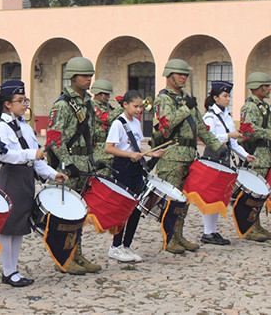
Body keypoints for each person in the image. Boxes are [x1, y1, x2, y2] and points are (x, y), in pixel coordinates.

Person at [0, 80, 67, 287]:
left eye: (25, 100)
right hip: (11, 178)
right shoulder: (1, 127)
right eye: (20, 100)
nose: (24, 104)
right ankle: (8, 271)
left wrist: (52, 174)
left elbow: (37, 158)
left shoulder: (25, 127)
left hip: (25, 179)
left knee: (20, 226)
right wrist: (31, 154)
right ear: (7, 104)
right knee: (8, 227)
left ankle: (13, 269)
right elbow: (4, 155)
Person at [152, 59, 225, 254]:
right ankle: (169, 239)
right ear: (169, 76)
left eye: (185, 75)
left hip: (189, 155)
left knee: (183, 201)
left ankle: (179, 235)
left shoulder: (187, 98)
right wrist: (185, 109)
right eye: (179, 74)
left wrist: (217, 146)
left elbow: (201, 127)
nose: (183, 77)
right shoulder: (163, 99)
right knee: (171, 199)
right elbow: (165, 127)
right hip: (172, 156)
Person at [46, 56, 99, 275]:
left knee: (80, 214)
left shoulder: (88, 103)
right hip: (69, 168)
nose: (88, 79)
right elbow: (53, 138)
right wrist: (67, 163)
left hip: (84, 163)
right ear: (73, 77)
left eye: (90, 76)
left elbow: (92, 134)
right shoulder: (63, 105)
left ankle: (77, 253)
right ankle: (63, 258)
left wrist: (93, 159)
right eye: (84, 76)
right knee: (65, 216)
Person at [105, 90, 164, 263]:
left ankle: (127, 244)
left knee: (137, 207)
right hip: (122, 168)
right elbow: (109, 148)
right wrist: (129, 155)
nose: (139, 109)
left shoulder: (137, 123)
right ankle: (115, 246)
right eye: (136, 106)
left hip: (135, 167)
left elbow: (137, 148)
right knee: (123, 208)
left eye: (141, 106)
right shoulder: (118, 123)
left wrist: (152, 154)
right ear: (125, 105)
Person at [200, 81, 256, 244]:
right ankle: (207, 231)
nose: (228, 99)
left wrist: (246, 156)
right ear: (215, 97)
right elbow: (209, 139)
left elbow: (234, 143)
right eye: (225, 96)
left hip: (224, 158)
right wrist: (228, 135)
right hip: (212, 158)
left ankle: (212, 230)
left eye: (229, 96)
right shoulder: (210, 117)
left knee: (218, 196)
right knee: (210, 195)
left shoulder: (226, 116)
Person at [238, 72, 271, 242]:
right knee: (253, 194)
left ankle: (256, 224)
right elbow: (247, 131)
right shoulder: (250, 107)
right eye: (266, 86)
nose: (269, 89)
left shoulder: (264, 106)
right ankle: (249, 226)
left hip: (266, 155)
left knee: (261, 194)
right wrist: (269, 133)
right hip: (256, 155)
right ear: (257, 87)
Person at [91, 79, 123, 168]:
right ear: (98, 93)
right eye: (106, 94)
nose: (108, 96)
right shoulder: (93, 105)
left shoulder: (107, 106)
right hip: (100, 151)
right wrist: (122, 107)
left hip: (111, 148)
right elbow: (106, 118)